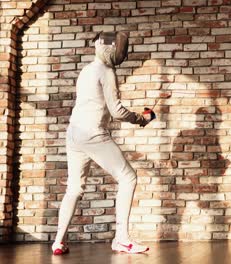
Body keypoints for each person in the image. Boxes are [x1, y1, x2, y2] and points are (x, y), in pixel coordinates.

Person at [52, 32, 155, 255]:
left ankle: (58, 241)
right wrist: (141, 119)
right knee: (128, 177)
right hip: (93, 134)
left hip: (74, 134)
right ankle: (122, 239)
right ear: (109, 48)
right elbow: (117, 111)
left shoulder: (87, 70)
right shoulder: (107, 71)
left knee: (74, 188)